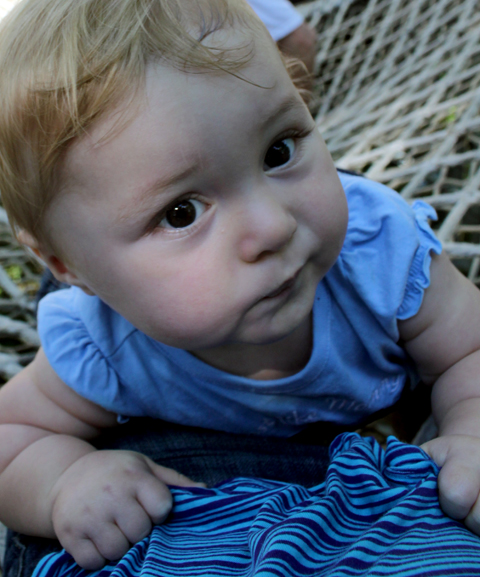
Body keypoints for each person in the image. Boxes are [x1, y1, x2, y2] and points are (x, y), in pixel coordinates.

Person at [0, 0, 480, 572]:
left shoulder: (379, 256)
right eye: (181, 213)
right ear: (66, 264)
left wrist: (472, 432)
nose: (274, 226)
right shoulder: (106, 346)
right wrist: (63, 480)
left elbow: (469, 351)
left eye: (279, 150)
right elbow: (11, 435)